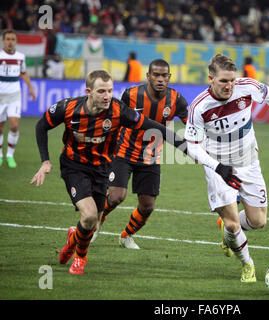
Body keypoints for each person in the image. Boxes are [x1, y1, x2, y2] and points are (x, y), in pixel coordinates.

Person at [30, 69, 187, 275]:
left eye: (110, 91)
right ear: (89, 91)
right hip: (74, 166)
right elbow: (41, 126)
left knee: (91, 224)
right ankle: (80, 257)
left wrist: (185, 146)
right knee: (89, 216)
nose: (107, 96)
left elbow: (151, 125)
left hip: (102, 168)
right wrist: (45, 162)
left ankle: (73, 238)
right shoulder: (68, 108)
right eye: (101, 91)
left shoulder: (118, 110)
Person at [184, 54, 269, 283]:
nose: (229, 86)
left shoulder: (246, 87)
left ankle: (228, 236)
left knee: (258, 222)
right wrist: (218, 167)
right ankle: (248, 264)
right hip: (218, 166)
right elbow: (192, 148)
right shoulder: (199, 106)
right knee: (233, 222)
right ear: (211, 79)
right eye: (223, 81)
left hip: (248, 162)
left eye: (232, 80)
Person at [91, 59, 189, 248]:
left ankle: (126, 235)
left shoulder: (176, 99)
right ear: (148, 76)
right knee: (116, 196)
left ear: (169, 77)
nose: (160, 79)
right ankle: (96, 223)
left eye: (164, 75)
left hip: (151, 158)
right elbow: (115, 118)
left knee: (147, 206)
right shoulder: (131, 94)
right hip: (124, 152)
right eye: (156, 75)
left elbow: (191, 124)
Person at [0, 29, 36, 168]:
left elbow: (24, 73)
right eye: (8, 39)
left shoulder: (20, 57)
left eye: (13, 39)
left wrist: (31, 88)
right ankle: (0, 155)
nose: (10, 42)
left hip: (14, 95)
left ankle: (10, 155)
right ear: (3, 40)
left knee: (14, 125)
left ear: (16, 41)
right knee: (0, 127)